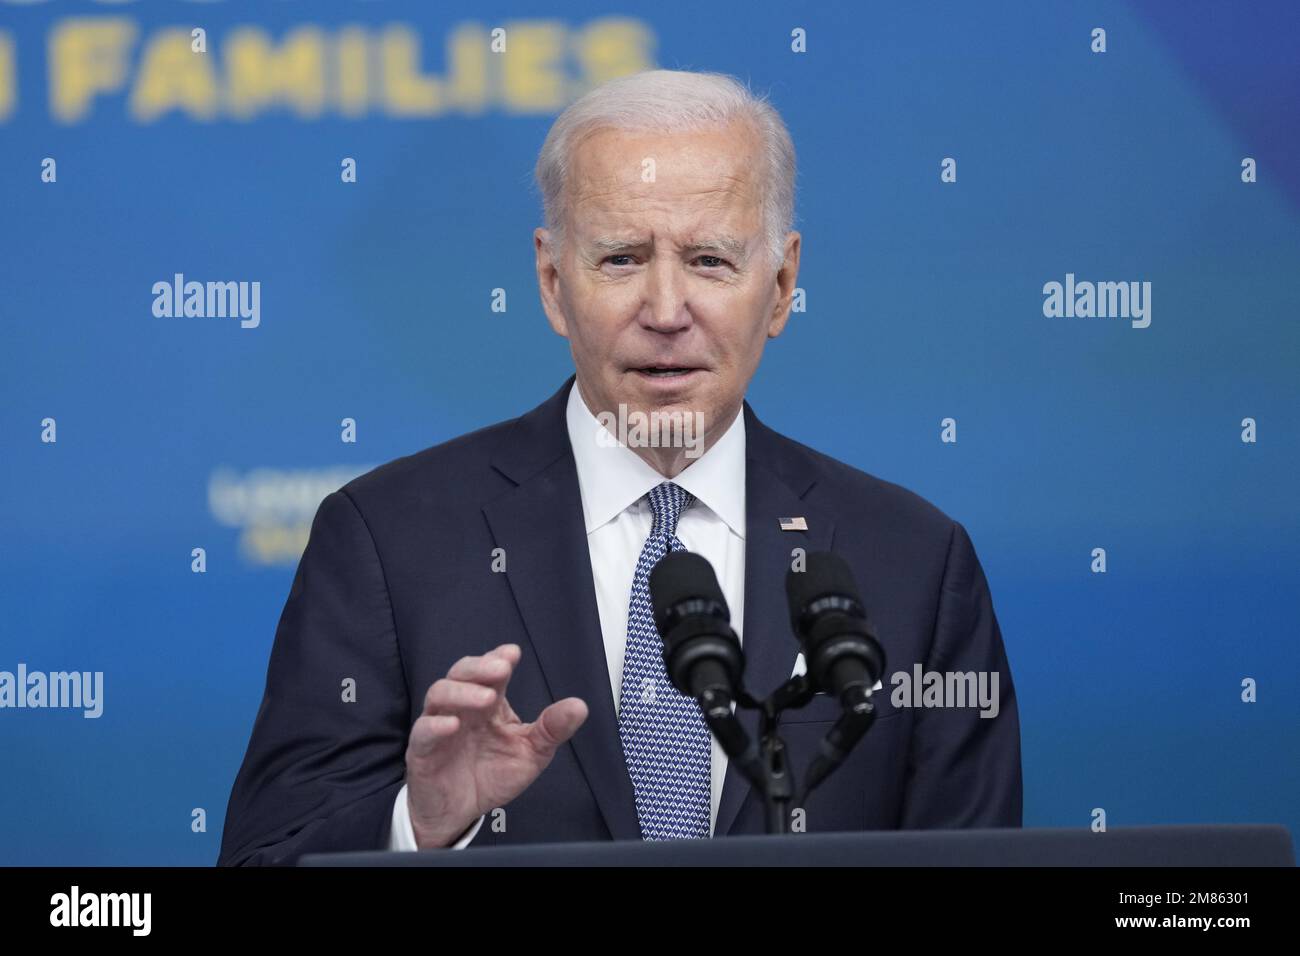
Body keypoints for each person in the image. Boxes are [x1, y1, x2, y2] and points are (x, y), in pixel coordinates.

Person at [217, 69, 1021, 866]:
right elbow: (263, 860)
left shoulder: (912, 562)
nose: (666, 311)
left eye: (709, 260)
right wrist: (418, 828)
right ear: (553, 283)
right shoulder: (388, 542)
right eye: (622, 259)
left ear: (780, 288)